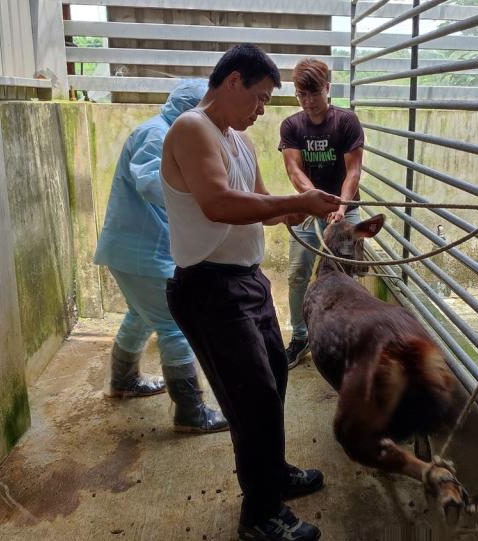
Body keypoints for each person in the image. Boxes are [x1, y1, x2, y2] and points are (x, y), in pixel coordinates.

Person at [161, 44, 339, 541]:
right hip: (209, 285)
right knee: (252, 397)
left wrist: (301, 209)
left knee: (273, 378)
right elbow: (218, 203)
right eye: (259, 98)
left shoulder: (236, 140)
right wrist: (293, 200)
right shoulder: (193, 128)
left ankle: (272, 472)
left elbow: (263, 203)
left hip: (245, 280)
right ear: (233, 81)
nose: (262, 110)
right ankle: (260, 516)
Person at [93, 79, 228, 434]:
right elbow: (152, 184)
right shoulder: (158, 135)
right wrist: (202, 198)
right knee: (173, 325)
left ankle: (124, 380)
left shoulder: (166, 132)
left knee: (141, 314)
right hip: (141, 251)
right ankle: (190, 411)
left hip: (136, 250)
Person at [278, 58, 365, 369]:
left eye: (314, 93)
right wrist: (314, 200)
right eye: (301, 94)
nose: (308, 101)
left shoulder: (346, 121)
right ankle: (300, 337)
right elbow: (294, 170)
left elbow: (353, 171)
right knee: (297, 272)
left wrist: (341, 207)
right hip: (308, 207)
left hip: (345, 208)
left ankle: (346, 335)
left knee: (348, 275)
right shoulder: (291, 125)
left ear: (328, 88)